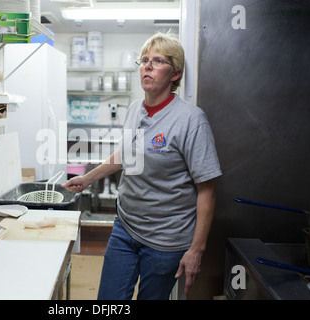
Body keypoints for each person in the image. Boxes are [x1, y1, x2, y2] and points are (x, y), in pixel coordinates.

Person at [62, 32, 222, 300]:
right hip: (125, 228)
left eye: (158, 61)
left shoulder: (191, 120)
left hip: (165, 241)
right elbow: (127, 155)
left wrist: (196, 250)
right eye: (144, 60)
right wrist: (88, 179)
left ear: (174, 75)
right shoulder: (135, 109)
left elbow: (207, 190)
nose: (147, 66)